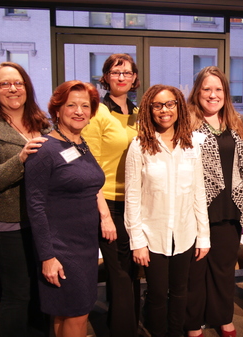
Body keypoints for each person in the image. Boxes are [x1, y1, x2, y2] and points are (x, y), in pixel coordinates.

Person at [0, 62, 50, 337]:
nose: (13, 88)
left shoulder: (42, 124)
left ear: (26, 86)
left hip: (42, 222)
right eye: (4, 84)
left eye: (18, 82)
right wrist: (21, 158)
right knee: (18, 295)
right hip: (9, 226)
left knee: (41, 292)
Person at [125, 84, 210, 337]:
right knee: (158, 294)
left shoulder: (191, 145)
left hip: (185, 234)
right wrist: (137, 241)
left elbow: (199, 193)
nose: (165, 110)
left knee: (181, 291)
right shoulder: (139, 146)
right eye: (158, 105)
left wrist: (203, 236)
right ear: (149, 109)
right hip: (153, 236)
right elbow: (132, 197)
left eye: (170, 104)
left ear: (179, 107)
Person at [25, 80, 104, 337]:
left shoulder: (80, 145)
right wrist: (47, 256)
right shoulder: (44, 149)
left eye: (85, 105)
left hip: (85, 244)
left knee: (65, 312)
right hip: (62, 247)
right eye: (71, 105)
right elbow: (35, 206)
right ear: (57, 110)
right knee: (78, 313)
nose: (79, 111)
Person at [185, 66, 243, 337]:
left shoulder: (236, 123)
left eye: (218, 89)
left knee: (223, 270)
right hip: (195, 211)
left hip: (229, 209)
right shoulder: (185, 124)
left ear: (226, 93)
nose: (213, 95)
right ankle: (192, 322)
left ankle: (223, 317)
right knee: (195, 273)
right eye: (207, 89)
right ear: (197, 92)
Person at [81, 53, 140, 337]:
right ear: (105, 77)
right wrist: (103, 214)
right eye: (116, 72)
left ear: (134, 78)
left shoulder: (137, 112)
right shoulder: (97, 113)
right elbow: (89, 166)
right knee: (118, 273)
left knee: (131, 271)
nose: (121, 77)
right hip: (108, 204)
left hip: (134, 203)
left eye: (127, 73)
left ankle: (123, 323)